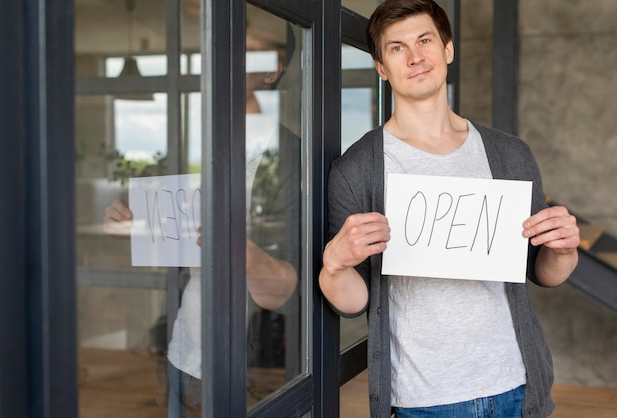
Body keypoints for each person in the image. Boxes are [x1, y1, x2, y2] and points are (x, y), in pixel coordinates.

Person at [318, 1, 580, 417]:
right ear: (381, 67)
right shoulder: (357, 170)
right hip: (422, 399)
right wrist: (334, 264)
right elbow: (354, 301)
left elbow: (542, 273)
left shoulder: (510, 155)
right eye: (397, 48)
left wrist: (564, 250)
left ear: (448, 50)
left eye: (425, 40)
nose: (416, 56)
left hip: (516, 384)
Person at [104, 19, 301, 418]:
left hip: (257, 365)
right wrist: (128, 216)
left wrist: (241, 251)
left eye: (243, 51)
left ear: (272, 69)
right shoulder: (193, 142)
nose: (226, 60)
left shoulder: (293, 159)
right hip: (184, 348)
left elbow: (292, 282)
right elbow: (160, 218)